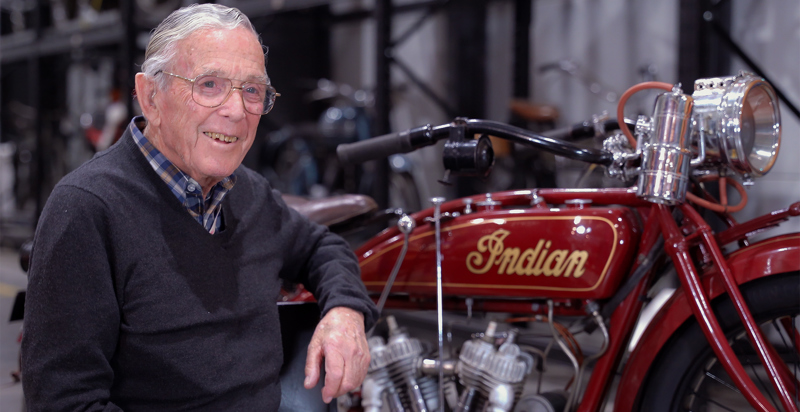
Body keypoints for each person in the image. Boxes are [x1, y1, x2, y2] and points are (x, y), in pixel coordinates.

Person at [21, 4, 378, 411]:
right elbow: (63, 402)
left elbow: (322, 247)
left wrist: (346, 312)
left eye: (252, 90)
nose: (235, 110)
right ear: (150, 96)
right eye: (209, 84)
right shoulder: (88, 209)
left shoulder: (250, 194)